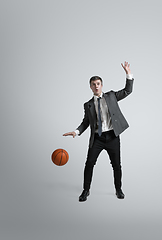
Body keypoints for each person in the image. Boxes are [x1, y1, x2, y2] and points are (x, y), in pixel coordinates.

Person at [63, 61, 134, 202]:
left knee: (116, 165)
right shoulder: (88, 104)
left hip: (113, 136)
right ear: (90, 87)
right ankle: (85, 190)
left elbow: (128, 90)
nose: (96, 86)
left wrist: (128, 74)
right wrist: (76, 132)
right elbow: (86, 122)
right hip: (97, 138)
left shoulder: (112, 96)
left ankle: (118, 189)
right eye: (93, 84)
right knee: (89, 164)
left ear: (102, 85)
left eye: (98, 84)